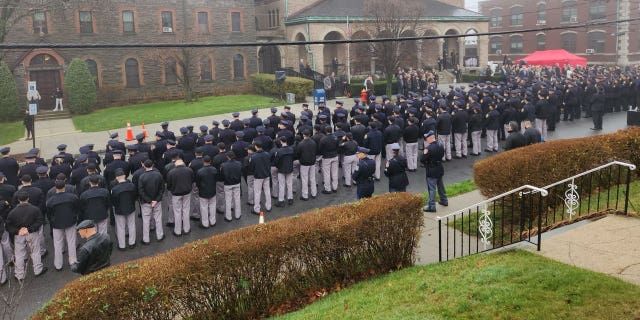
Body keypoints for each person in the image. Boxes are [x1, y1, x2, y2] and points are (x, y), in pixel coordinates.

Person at [5, 190, 46, 280]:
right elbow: (40, 220)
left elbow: (8, 226)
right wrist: (29, 229)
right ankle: (38, 270)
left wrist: (17, 231)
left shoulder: (13, 212)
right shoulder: (35, 209)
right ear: (28, 198)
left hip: (19, 235)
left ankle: (19, 275)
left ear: (18, 199)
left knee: (19, 254)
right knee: (35, 251)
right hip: (31, 233)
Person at [46, 180, 79, 271]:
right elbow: (76, 209)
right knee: (71, 242)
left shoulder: (50, 201)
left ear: (55, 188)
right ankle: (73, 262)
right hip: (70, 222)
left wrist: (52, 221)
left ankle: (58, 265)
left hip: (56, 224)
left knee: (57, 244)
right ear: (65, 186)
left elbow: (49, 214)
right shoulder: (73, 197)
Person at [138, 159, 165, 244]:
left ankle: (146, 239)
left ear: (144, 166)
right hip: (157, 202)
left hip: (146, 202)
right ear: (152, 165)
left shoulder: (142, 177)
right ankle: (160, 235)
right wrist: (156, 200)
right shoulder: (158, 175)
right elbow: (162, 188)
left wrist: (149, 201)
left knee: (146, 220)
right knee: (158, 218)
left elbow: (141, 191)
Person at [110, 168, 137, 250]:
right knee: (131, 225)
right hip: (131, 208)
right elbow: (135, 196)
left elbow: (113, 201)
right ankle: (132, 243)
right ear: (125, 176)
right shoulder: (132, 185)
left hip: (119, 210)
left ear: (116, 178)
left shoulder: (114, 189)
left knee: (120, 227)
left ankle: (122, 245)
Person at [421, 131, 448, 212]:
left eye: (427, 138)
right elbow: (443, 154)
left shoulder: (429, 148)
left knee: (432, 189)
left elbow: (422, 159)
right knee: (440, 186)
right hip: (439, 168)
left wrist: (425, 154)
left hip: (432, 170)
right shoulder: (440, 145)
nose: (426, 140)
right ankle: (444, 200)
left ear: (430, 138)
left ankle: (431, 206)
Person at [166, 159, 193, 236]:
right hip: (187, 193)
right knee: (186, 210)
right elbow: (192, 180)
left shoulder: (171, 172)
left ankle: (177, 231)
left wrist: (172, 190)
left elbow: (168, 185)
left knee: (177, 212)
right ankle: (186, 229)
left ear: (175, 165)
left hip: (176, 194)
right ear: (183, 163)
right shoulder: (189, 170)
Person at [295, 129, 317, 200]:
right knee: (312, 178)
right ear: (310, 135)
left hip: (304, 163)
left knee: (304, 179)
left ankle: (305, 195)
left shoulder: (301, 144)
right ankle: (314, 193)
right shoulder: (313, 142)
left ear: (303, 135)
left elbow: (298, 154)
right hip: (312, 162)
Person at [195, 156, 217, 228]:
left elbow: (197, 182)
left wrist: (200, 188)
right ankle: (213, 221)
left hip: (203, 192)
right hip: (213, 190)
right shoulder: (214, 169)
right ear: (210, 161)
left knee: (204, 207)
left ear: (203, 162)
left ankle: (205, 223)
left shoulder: (200, 171)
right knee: (212, 206)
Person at [221, 151, 242, 221]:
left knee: (228, 200)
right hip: (237, 183)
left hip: (228, 184)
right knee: (237, 199)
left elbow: (222, 175)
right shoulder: (239, 163)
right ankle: (238, 215)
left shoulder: (223, 165)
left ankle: (228, 217)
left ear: (227, 157)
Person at [273, 137, 294, 207]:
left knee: (281, 185)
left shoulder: (279, 151)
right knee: (289, 184)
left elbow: (276, 161)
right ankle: (290, 198)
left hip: (281, 169)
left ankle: (281, 200)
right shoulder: (291, 149)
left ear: (281, 142)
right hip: (290, 169)